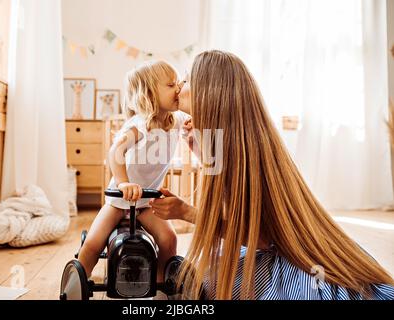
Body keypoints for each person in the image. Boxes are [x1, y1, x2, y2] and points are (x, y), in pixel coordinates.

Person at [150, 50, 394, 300]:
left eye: (187, 80)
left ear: (210, 92)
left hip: (285, 261)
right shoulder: (238, 141)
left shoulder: (241, 153)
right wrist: (202, 151)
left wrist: (186, 212)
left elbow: (259, 238)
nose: (179, 86)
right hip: (278, 249)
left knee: (206, 285)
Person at [77, 60, 190, 282]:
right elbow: (115, 152)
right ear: (149, 94)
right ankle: (77, 281)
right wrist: (123, 182)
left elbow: (192, 121)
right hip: (120, 200)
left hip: (146, 201)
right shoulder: (139, 125)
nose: (178, 88)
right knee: (92, 243)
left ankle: (161, 285)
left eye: (178, 83)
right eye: (170, 85)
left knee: (169, 238)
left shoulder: (175, 121)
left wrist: (192, 125)